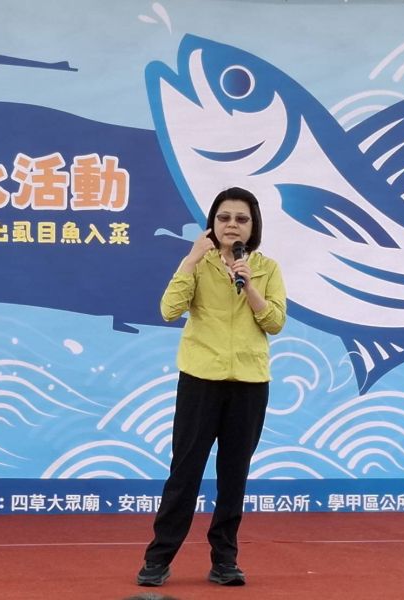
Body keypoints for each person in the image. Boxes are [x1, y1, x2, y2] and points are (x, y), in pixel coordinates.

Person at [137, 187, 286, 587]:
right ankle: (158, 558)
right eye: (224, 218)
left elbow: (274, 322)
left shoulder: (267, 269)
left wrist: (249, 285)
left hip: (249, 384)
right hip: (200, 381)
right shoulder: (198, 265)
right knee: (185, 472)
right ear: (212, 224)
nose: (232, 225)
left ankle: (225, 560)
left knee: (234, 475)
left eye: (241, 219)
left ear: (253, 226)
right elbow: (168, 310)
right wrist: (190, 259)